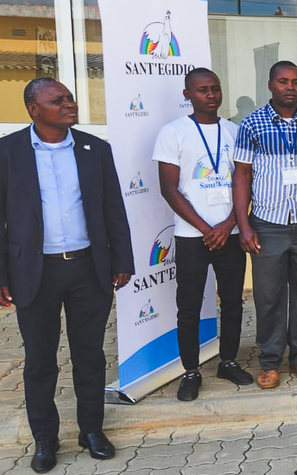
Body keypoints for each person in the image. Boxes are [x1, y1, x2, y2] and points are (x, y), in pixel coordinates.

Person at [0, 78, 133, 472]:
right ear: (33, 109)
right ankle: (45, 439)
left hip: (88, 268)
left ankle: (91, 430)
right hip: (34, 271)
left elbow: (114, 208)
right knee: (40, 360)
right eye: (58, 100)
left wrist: (122, 260)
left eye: (70, 98)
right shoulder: (8, 152)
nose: (69, 104)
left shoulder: (96, 150)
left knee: (90, 355)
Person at [153, 68, 252, 402]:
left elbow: (246, 182)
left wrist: (227, 224)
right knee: (189, 305)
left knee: (233, 302)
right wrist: (206, 228)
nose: (210, 95)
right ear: (188, 95)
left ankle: (228, 360)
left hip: (231, 232)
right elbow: (169, 188)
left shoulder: (236, 130)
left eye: (215, 88)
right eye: (202, 90)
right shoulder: (174, 133)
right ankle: (191, 370)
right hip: (193, 236)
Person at [233, 61, 297, 389]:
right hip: (267, 223)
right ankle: (270, 361)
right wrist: (244, 225)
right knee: (269, 296)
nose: (290, 87)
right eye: (283, 81)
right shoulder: (252, 124)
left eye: (296, 82)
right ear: (271, 85)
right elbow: (242, 174)